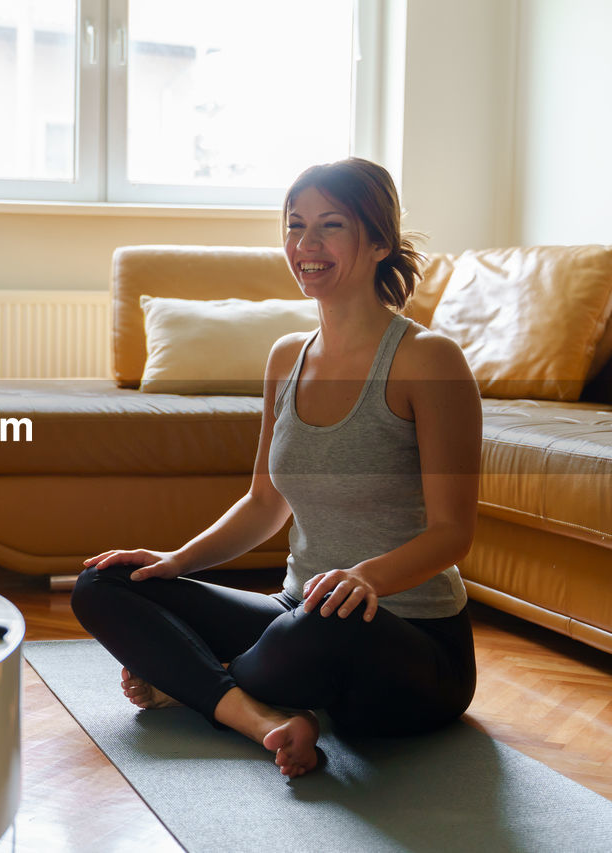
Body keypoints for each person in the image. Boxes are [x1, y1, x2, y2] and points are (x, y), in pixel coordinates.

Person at [70, 158, 481, 778]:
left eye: (329, 226)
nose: (305, 245)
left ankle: (198, 686)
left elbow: (453, 532)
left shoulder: (428, 360)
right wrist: (173, 563)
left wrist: (364, 577)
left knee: (321, 627)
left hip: (409, 642)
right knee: (105, 585)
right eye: (295, 226)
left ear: (379, 242)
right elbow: (265, 503)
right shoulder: (287, 356)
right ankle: (265, 718)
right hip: (298, 613)